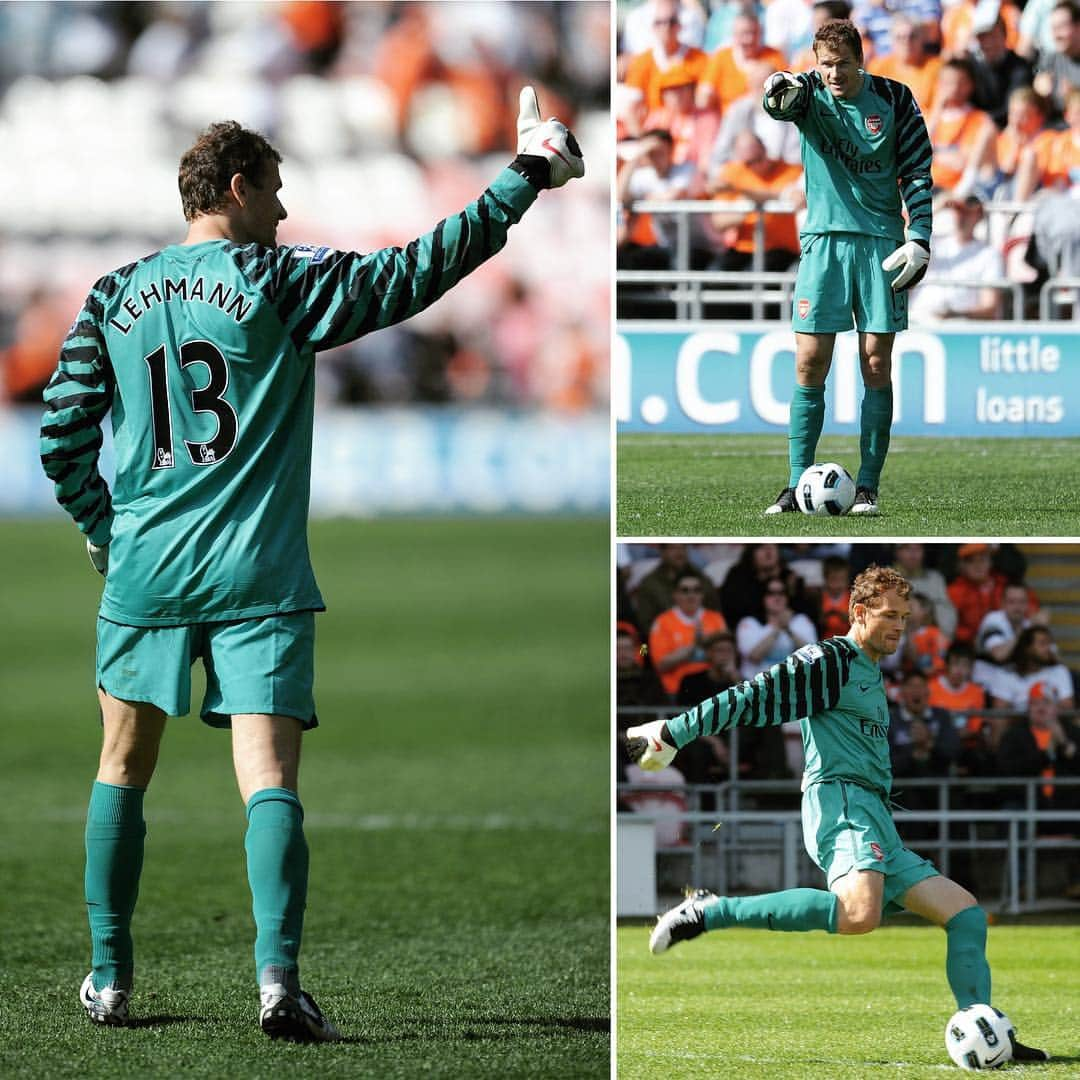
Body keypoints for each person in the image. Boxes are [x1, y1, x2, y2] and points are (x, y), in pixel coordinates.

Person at [39, 97, 583, 1040]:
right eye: (278, 194)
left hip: (147, 571)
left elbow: (61, 435)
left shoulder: (110, 294)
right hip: (257, 570)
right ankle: (277, 983)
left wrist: (103, 528)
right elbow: (417, 270)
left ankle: (109, 979)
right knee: (270, 782)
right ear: (240, 189)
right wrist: (525, 173)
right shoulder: (276, 280)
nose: (286, 215)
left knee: (121, 770)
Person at [625, 566, 1049, 1063]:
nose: (899, 627)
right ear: (858, 612)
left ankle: (986, 1027)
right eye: (889, 615)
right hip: (841, 801)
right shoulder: (831, 658)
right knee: (858, 914)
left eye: (905, 618)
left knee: (966, 915)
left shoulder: (870, 668)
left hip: (874, 815)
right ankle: (710, 911)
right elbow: (753, 694)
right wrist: (675, 731)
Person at [759, 20, 933, 517]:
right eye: (824, 63)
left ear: (861, 59)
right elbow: (779, 103)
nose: (833, 73)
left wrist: (919, 234)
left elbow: (918, 171)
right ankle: (795, 485)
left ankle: (868, 486)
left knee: (875, 362)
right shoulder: (808, 91)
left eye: (842, 63)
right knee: (809, 361)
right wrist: (776, 90)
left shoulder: (896, 100)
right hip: (823, 242)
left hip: (881, 244)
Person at [908, 194, 1005, 322]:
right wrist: (938, 206)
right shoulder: (932, 243)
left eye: (968, 212)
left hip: (960, 325)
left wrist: (954, 315)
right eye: (958, 210)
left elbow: (989, 307)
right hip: (918, 318)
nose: (962, 216)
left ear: (979, 215)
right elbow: (904, 240)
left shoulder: (989, 254)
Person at [648, 572, 729, 696]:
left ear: (702, 595)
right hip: (675, 691)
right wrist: (694, 647)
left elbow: (726, 657)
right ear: (675, 595)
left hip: (713, 689)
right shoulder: (662, 622)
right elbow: (660, 665)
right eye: (685, 590)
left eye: (696, 590)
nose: (691, 595)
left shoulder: (716, 619)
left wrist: (707, 648)